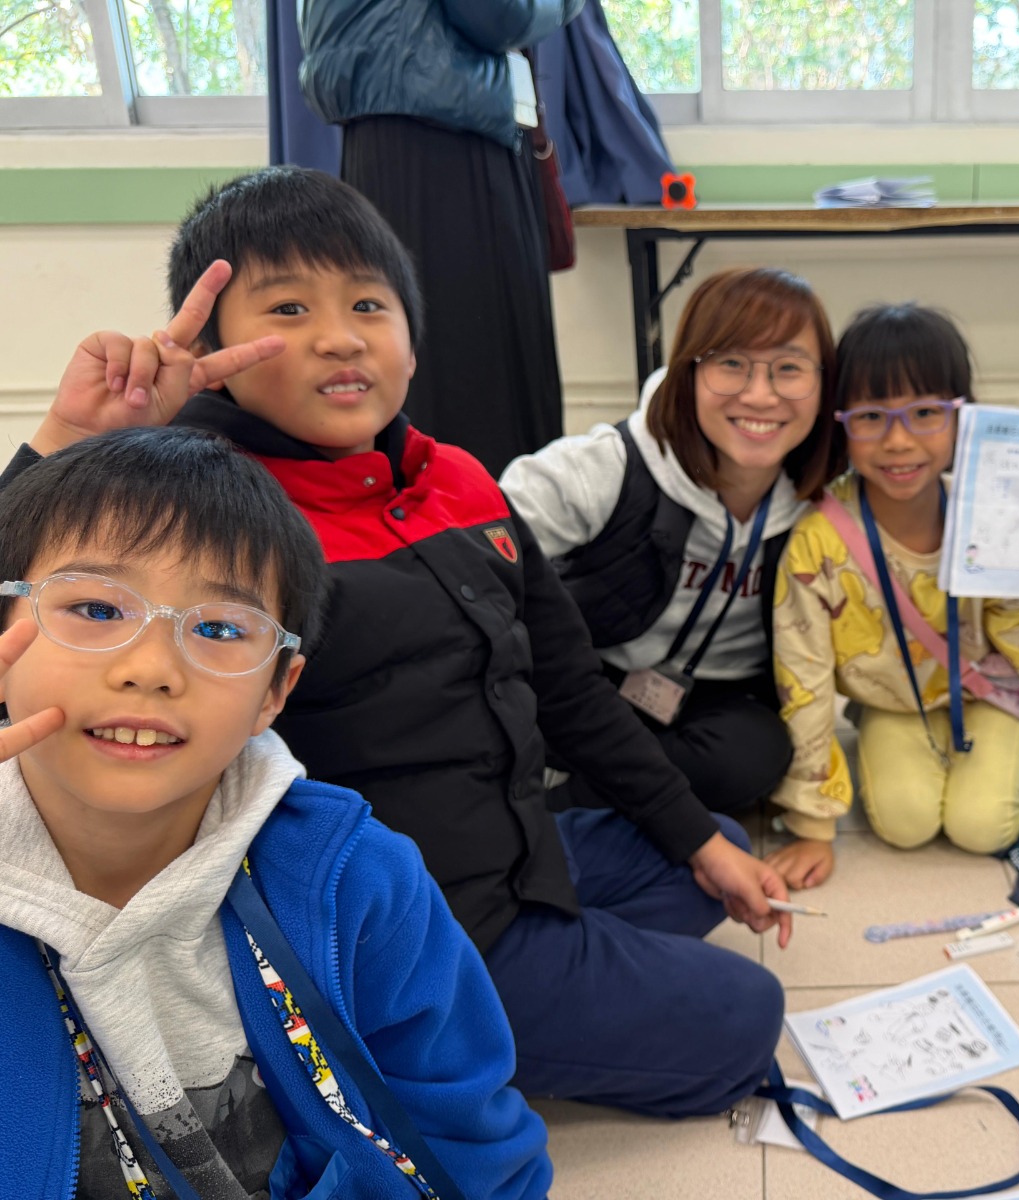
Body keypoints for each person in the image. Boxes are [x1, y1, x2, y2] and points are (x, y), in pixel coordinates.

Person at [20, 166, 789, 1118]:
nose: (340, 337)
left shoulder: (456, 478)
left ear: (412, 344)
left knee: (708, 845)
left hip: (514, 842)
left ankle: (541, 990)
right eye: (289, 308)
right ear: (213, 348)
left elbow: (569, 689)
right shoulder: (208, 516)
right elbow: (29, 637)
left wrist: (696, 844)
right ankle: (409, 1037)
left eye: (368, 304)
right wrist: (64, 443)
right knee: (747, 1020)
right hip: (399, 926)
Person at [0, 427, 551, 1198]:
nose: (150, 668)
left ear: (276, 691)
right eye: (95, 607)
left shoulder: (357, 880)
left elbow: (470, 1142)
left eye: (220, 628)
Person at [766, 303, 1019, 889]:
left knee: (982, 827)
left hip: (987, 691)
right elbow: (802, 684)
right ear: (840, 423)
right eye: (871, 416)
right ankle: (902, 733)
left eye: (926, 412)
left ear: (964, 417)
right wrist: (813, 824)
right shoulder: (817, 541)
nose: (898, 440)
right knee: (904, 822)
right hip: (892, 701)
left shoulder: (993, 518)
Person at [500, 268, 842, 815]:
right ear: (690, 370)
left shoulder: (828, 500)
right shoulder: (610, 466)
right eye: (731, 363)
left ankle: (569, 799)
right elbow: (478, 550)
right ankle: (620, 798)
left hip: (722, 696)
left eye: (789, 368)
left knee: (751, 759)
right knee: (516, 706)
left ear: (824, 384)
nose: (761, 395)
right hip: (592, 678)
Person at [299, 0, 583, 475]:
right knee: (478, 366)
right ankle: (483, 515)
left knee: (402, 348)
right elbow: (502, 15)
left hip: (379, 138)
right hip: (454, 135)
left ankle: (414, 511)